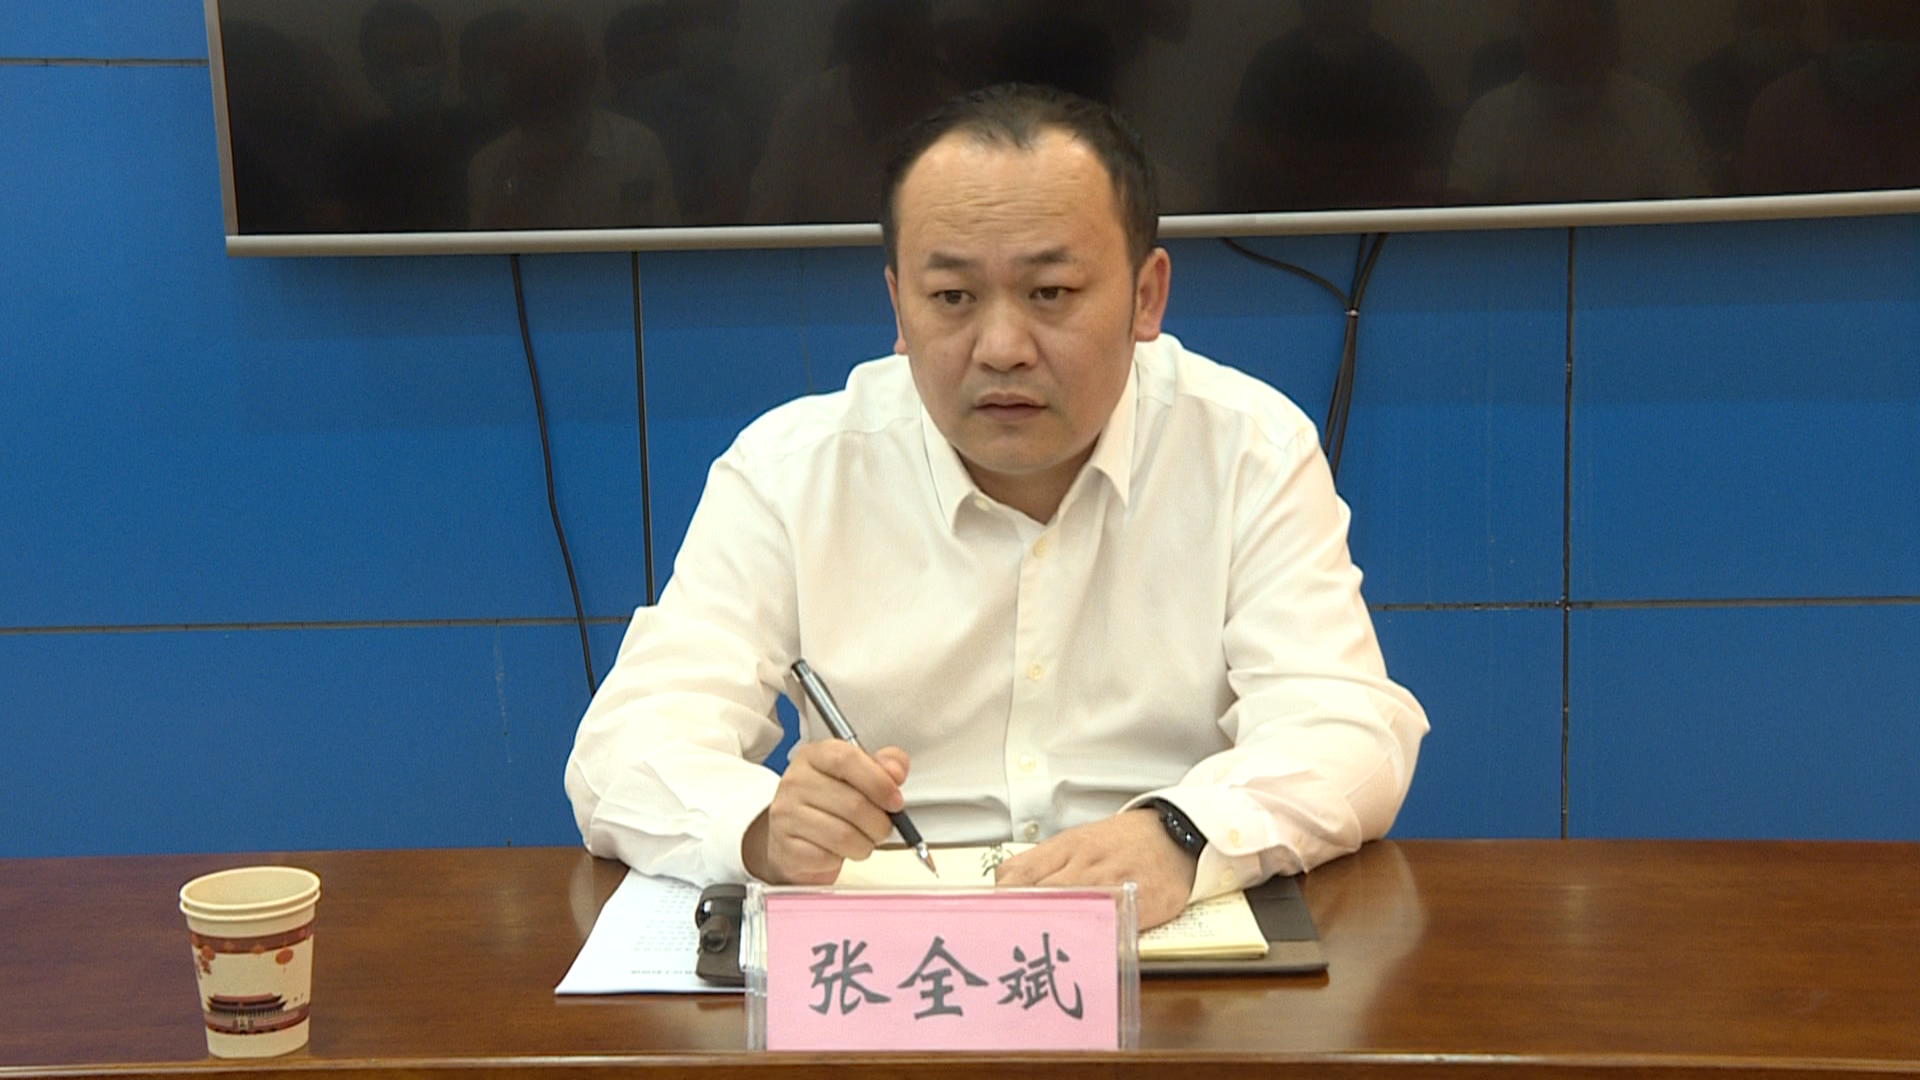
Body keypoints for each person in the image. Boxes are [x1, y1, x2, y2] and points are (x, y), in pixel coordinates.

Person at [565, 83, 1427, 931]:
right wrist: (760, 828)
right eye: (952, 298)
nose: (1003, 348)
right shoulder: (792, 471)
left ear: (1146, 296)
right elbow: (622, 750)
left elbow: (1346, 727)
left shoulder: (1248, 449)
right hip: (891, 959)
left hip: (1158, 939)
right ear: (898, 305)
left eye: (1050, 293)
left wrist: (1182, 832)